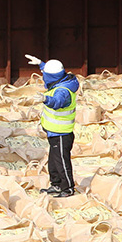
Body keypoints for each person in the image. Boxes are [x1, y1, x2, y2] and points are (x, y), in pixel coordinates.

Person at [25, 55, 79, 198]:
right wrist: (41, 64)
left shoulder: (63, 91)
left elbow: (57, 102)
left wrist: (45, 99)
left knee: (62, 162)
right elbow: (52, 74)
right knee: (54, 162)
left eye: (45, 75)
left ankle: (67, 188)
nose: (43, 78)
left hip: (62, 134)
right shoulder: (60, 80)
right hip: (54, 133)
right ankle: (56, 184)